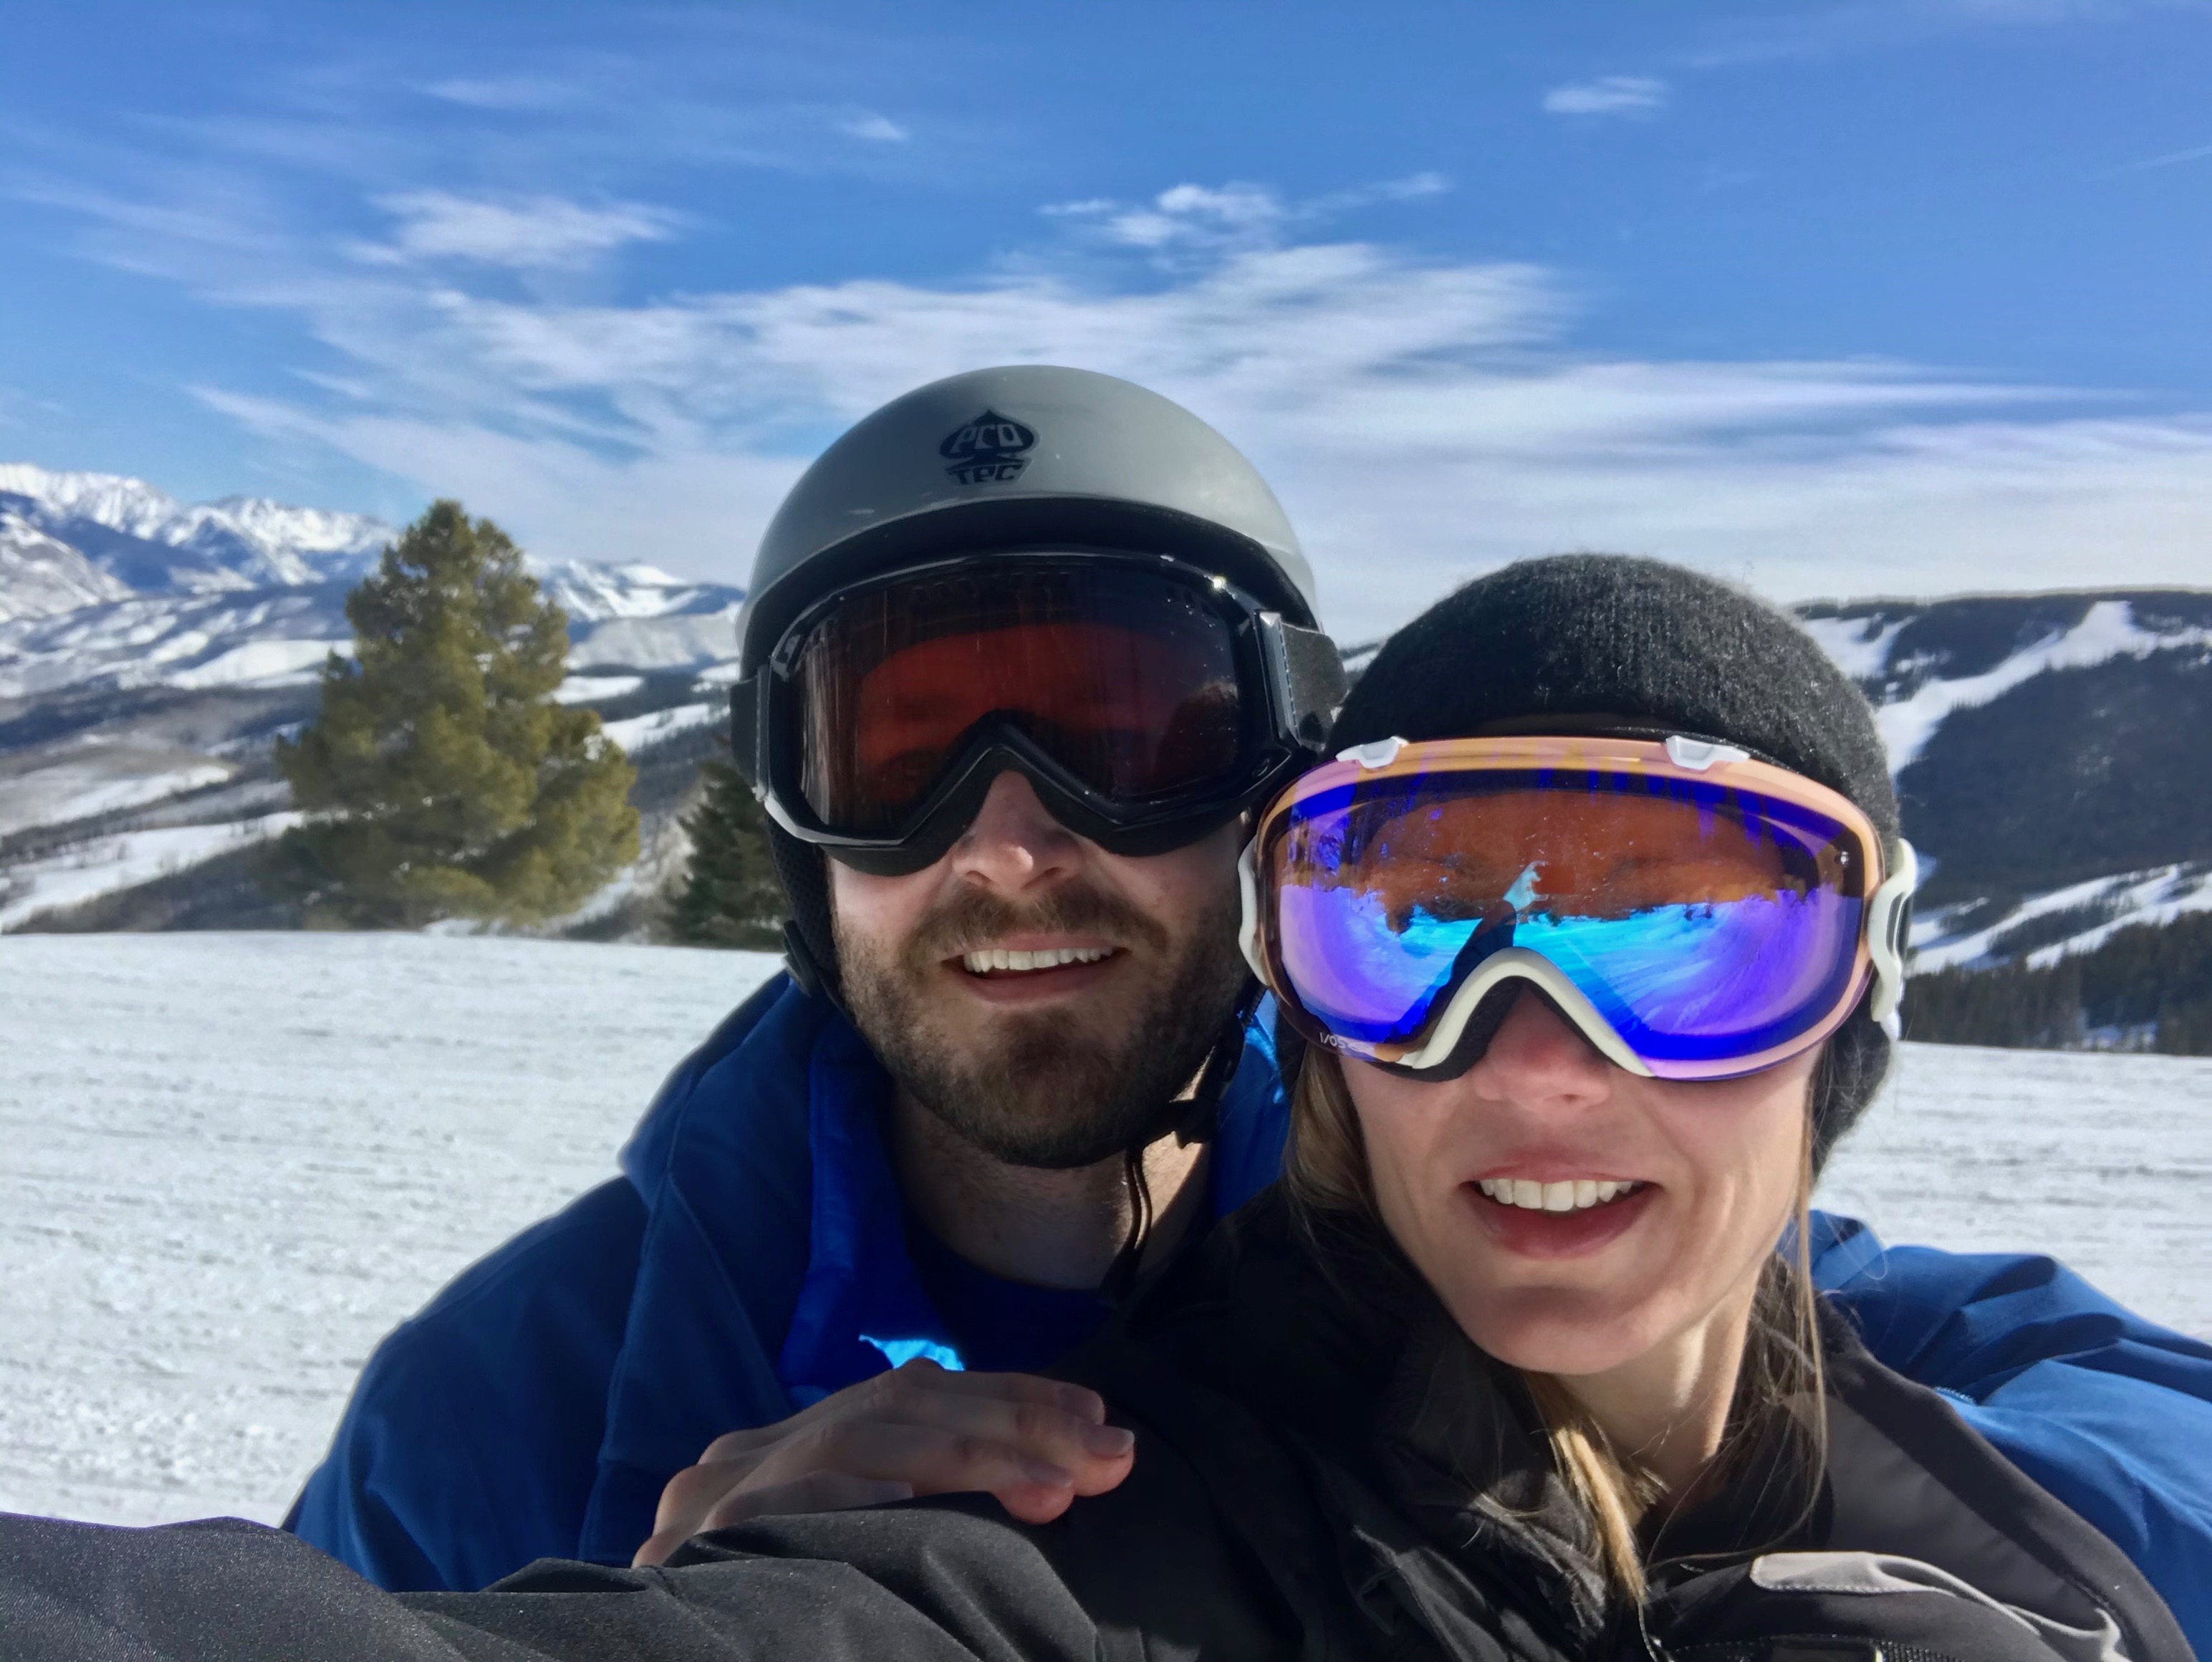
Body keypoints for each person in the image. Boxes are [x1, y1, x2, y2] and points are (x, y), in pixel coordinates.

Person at [9, 554, 2203, 1662]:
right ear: (1313, 1011)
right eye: (1414, 929)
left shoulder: (1974, 1418)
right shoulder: (1151, 1505)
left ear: (1854, 1023)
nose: (1542, 1055)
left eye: (1696, 938)